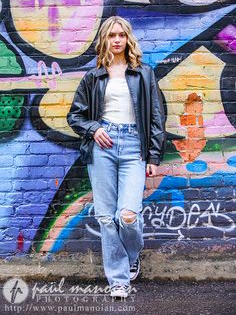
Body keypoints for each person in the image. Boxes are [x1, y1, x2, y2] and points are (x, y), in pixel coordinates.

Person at [67, 16, 166, 298]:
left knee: (128, 215)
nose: (117, 40)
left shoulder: (144, 73)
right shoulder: (94, 76)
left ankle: (131, 252)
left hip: (135, 145)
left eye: (122, 34)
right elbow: (74, 116)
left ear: (128, 38)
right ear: (105, 40)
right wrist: (94, 128)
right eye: (112, 35)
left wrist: (154, 157)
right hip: (104, 147)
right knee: (107, 218)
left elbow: (157, 118)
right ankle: (118, 280)